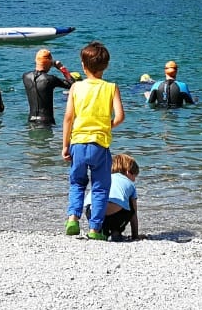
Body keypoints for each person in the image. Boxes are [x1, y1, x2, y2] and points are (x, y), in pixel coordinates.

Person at [62, 41, 125, 237]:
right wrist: (107, 126)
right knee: (100, 188)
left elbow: (68, 118)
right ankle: (95, 229)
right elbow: (121, 116)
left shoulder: (76, 87)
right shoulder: (111, 88)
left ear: (83, 65)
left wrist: (65, 146)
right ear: (106, 66)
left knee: (77, 183)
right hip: (100, 145)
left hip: (78, 143)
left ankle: (73, 218)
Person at [86, 152, 142, 241]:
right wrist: (135, 235)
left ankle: (99, 230)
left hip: (93, 214)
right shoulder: (130, 183)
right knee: (130, 206)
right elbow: (134, 214)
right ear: (128, 172)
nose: (134, 180)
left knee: (93, 203)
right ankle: (116, 232)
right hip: (116, 217)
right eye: (134, 176)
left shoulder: (102, 178)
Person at [22, 48, 74, 126]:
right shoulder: (50, 79)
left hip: (31, 120)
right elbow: (73, 84)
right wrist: (61, 68)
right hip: (46, 122)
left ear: (36, 61)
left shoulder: (25, 76)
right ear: (50, 63)